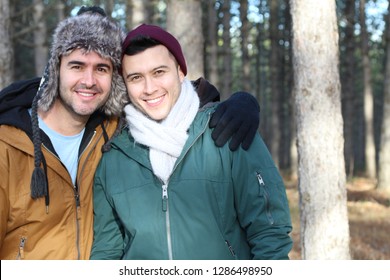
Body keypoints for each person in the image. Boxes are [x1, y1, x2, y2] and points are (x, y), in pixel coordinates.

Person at [0, 9, 261, 260]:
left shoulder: (115, 127)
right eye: (77, 66)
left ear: (115, 79)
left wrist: (242, 102)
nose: (89, 80)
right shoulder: (9, 146)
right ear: (56, 69)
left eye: (101, 68)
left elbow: (165, 94)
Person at [90, 24, 293, 260]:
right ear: (124, 84)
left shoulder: (227, 129)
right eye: (136, 78)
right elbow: (107, 252)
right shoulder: (116, 155)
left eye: (159, 72)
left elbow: (270, 236)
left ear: (180, 71)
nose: (149, 88)